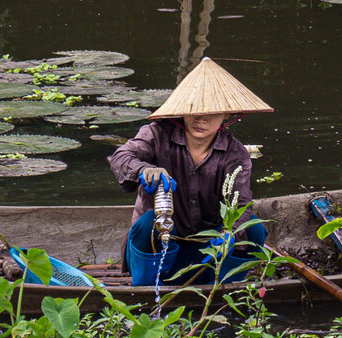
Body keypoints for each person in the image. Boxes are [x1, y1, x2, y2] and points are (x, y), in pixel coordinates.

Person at [108, 58, 272, 285]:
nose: (200, 119)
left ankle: (221, 286)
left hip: (207, 255)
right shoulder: (156, 134)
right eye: (194, 110)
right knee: (149, 223)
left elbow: (240, 202)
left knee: (252, 229)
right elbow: (121, 157)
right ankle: (146, 290)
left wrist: (229, 233)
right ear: (183, 110)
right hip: (160, 249)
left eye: (211, 112)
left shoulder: (234, 153)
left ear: (226, 114)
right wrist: (144, 170)